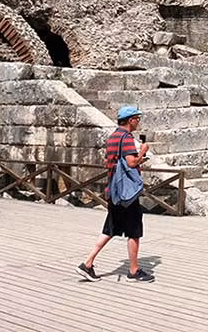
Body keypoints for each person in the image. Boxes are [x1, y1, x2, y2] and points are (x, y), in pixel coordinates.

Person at [76, 105, 154, 283]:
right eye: (137, 118)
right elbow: (132, 162)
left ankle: (87, 264)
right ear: (130, 120)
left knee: (110, 229)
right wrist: (143, 150)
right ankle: (133, 271)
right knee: (134, 231)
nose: (138, 122)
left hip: (114, 190)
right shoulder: (126, 138)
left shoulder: (112, 137)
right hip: (127, 194)